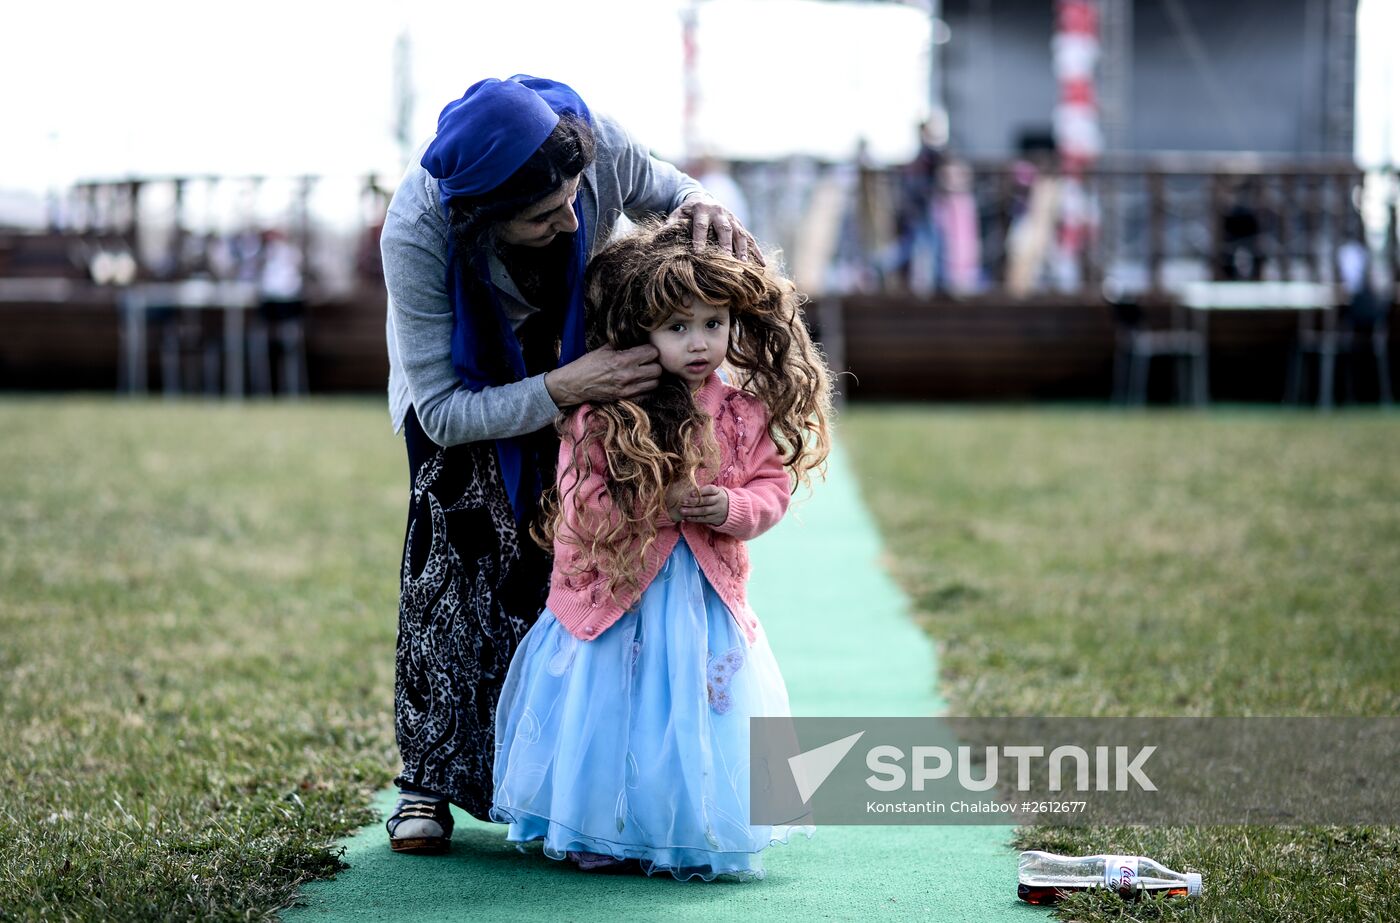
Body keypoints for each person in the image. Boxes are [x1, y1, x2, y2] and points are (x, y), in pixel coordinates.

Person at [381, 75, 757, 853]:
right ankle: (427, 781)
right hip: (461, 392)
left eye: (574, 200)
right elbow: (444, 411)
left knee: (561, 564)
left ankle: (550, 784)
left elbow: (674, 194)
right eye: (542, 217)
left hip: (583, 366)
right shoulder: (417, 229)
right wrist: (561, 388)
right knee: (453, 553)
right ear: (481, 219)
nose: (570, 220)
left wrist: (702, 208)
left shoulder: (593, 146)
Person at [489, 220, 833, 880]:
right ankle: (601, 825)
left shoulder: (741, 412)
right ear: (643, 332)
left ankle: (684, 827)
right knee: (615, 707)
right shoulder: (605, 412)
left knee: (689, 710)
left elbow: (769, 489)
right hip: (619, 597)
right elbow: (581, 500)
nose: (699, 342)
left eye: (713, 322)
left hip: (698, 601)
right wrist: (654, 500)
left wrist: (729, 508)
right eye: (678, 327)